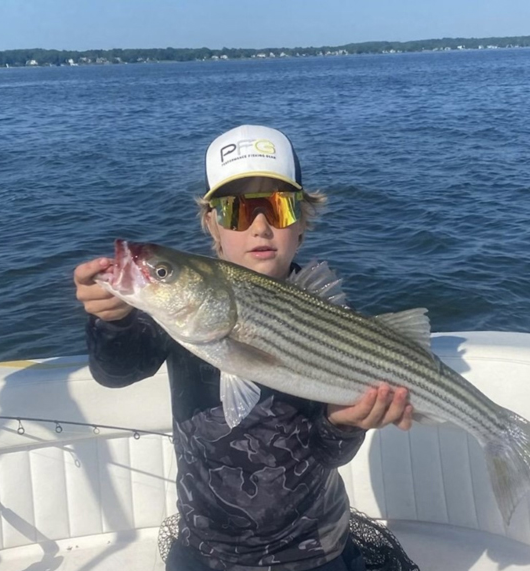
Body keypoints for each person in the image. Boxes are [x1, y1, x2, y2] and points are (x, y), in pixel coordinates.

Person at [74, 125, 415, 571]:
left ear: (302, 225)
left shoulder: (330, 317)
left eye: (279, 207)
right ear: (212, 225)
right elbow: (116, 373)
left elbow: (331, 453)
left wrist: (345, 425)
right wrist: (112, 321)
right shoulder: (180, 309)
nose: (259, 226)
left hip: (313, 549)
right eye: (237, 211)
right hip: (204, 548)